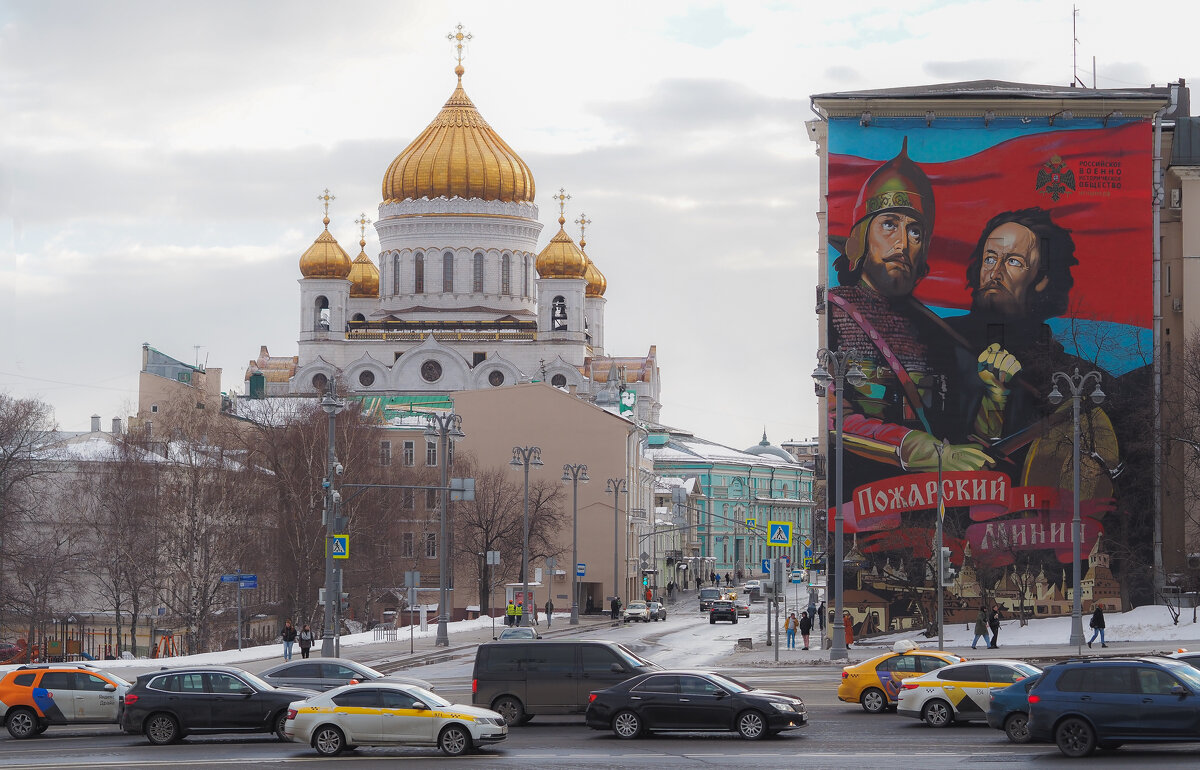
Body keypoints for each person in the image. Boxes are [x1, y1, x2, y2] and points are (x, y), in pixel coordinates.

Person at [827, 138, 997, 481]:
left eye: (915, 231)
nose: (903, 244)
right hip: (862, 504)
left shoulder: (937, 336)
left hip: (938, 513)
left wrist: (996, 396)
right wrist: (918, 450)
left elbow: (970, 447)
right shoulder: (834, 314)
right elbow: (834, 420)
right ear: (861, 235)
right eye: (889, 224)